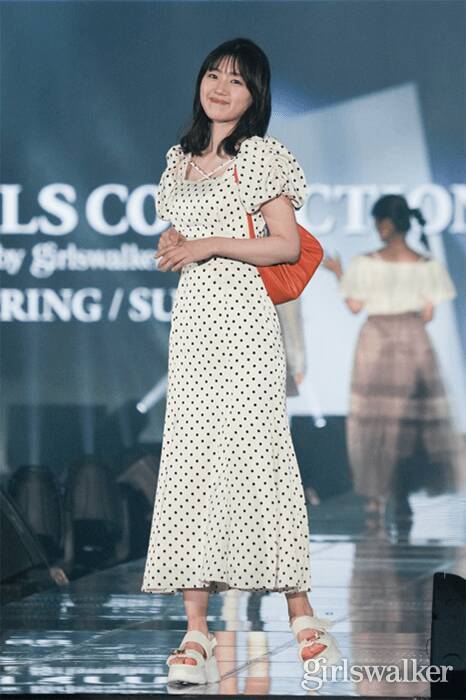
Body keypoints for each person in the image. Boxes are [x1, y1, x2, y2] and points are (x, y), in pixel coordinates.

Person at [140, 37, 340, 684]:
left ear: (255, 96)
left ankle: (302, 615)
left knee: (260, 452)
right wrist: (179, 239)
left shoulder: (259, 156)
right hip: (194, 325)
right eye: (213, 74)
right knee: (191, 460)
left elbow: (285, 246)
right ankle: (196, 631)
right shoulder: (178, 162)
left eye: (236, 80)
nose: (220, 87)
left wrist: (207, 245)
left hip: (246, 321)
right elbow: (186, 230)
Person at [324, 194, 462, 524]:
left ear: (385, 225)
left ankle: (376, 496)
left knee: (374, 419)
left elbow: (355, 306)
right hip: (413, 339)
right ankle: (401, 493)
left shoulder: (365, 264)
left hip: (377, 340)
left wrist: (338, 273)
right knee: (409, 420)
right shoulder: (427, 264)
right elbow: (427, 315)